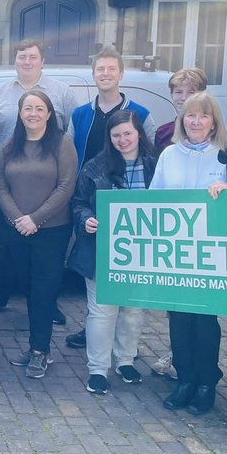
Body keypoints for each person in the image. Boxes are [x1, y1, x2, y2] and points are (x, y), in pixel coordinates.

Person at [150, 92, 227, 414]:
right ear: (182, 120)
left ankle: (207, 383)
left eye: (203, 116)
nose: (196, 121)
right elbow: (153, 201)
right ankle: (185, 380)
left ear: (214, 122)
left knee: (205, 321)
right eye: (190, 116)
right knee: (178, 319)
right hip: (176, 253)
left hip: (210, 256)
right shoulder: (168, 155)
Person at [0, 39, 80, 314]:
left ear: (42, 61)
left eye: (32, 57)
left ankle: (47, 306)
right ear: (15, 60)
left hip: (46, 187)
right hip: (9, 184)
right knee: (6, 251)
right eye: (22, 57)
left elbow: (72, 129)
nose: (27, 62)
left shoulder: (62, 92)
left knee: (46, 262)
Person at [68, 110, 158, 395]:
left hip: (143, 251)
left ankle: (125, 360)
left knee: (133, 309)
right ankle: (97, 369)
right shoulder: (95, 167)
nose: (122, 140)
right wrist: (86, 219)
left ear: (139, 133)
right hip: (102, 251)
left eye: (128, 133)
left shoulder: (156, 166)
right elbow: (78, 202)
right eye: (116, 135)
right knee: (102, 311)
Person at [0, 90, 78, 379]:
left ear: (49, 113)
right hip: (16, 230)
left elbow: (66, 186)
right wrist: (17, 218)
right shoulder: (11, 146)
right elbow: (0, 184)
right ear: (20, 113)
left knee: (44, 292)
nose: (33, 113)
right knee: (29, 290)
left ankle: (40, 351)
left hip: (51, 232)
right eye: (27, 108)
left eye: (39, 108)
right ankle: (36, 347)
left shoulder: (61, 143)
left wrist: (36, 219)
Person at [69, 46, 157, 165]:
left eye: (111, 68)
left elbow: (152, 156)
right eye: (100, 69)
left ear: (121, 74)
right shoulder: (78, 116)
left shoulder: (141, 114)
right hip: (86, 183)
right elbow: (68, 156)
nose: (106, 73)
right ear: (93, 75)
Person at [153, 68, 207, 153]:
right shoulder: (162, 133)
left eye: (191, 92)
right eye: (178, 92)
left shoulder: (210, 131)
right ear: (171, 94)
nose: (183, 98)